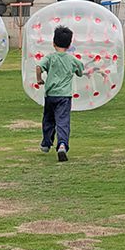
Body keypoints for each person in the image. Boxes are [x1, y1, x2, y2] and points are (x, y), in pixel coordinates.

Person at [35, 23, 84, 161]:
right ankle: (62, 145)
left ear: (53, 43)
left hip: (50, 95)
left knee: (48, 120)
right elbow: (80, 70)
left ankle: (46, 143)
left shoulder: (50, 58)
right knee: (63, 121)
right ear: (69, 45)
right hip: (65, 96)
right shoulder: (72, 59)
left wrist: (39, 79)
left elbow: (39, 67)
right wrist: (76, 71)